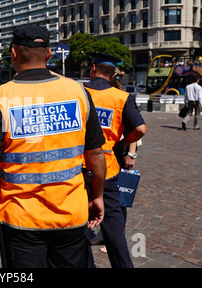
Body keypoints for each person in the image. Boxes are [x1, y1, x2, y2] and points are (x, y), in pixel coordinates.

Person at [0, 25, 107, 268]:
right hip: (71, 212)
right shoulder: (77, 91)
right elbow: (96, 153)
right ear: (48, 54)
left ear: (13, 54)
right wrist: (97, 195)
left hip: (22, 216)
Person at [84, 53, 147, 268]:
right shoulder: (120, 97)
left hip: (77, 166)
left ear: (93, 69)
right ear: (112, 75)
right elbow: (140, 129)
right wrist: (123, 143)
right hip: (106, 168)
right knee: (114, 227)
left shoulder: (79, 92)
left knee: (78, 227)